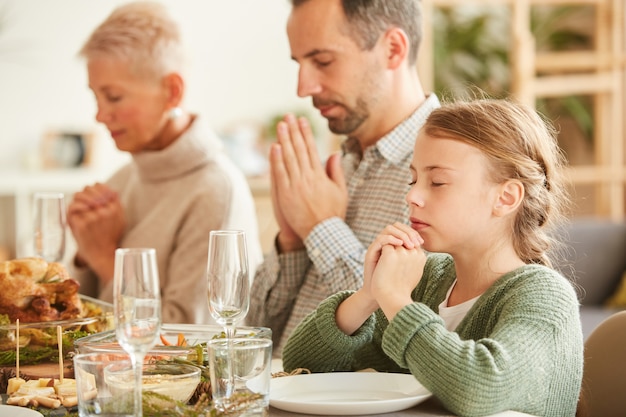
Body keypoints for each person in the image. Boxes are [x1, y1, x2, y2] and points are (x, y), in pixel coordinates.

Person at [282, 99, 584, 417]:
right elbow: (302, 365)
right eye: (413, 180)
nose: (412, 195)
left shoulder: (544, 296)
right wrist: (369, 295)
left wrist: (397, 299)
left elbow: (479, 389)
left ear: (505, 197)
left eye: (437, 182)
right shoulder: (430, 281)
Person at [247, 0, 440, 355]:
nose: (303, 87)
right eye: (299, 63)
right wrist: (292, 242)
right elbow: (257, 332)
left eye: (322, 61)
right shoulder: (336, 168)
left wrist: (321, 226)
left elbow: (397, 337)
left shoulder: (448, 172)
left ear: (393, 49)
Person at [67, 1, 263, 324]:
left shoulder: (215, 192)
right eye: (96, 97)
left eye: (114, 97)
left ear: (172, 92)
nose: (100, 115)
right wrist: (83, 249)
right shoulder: (121, 179)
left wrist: (104, 258)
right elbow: (77, 318)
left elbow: (190, 339)